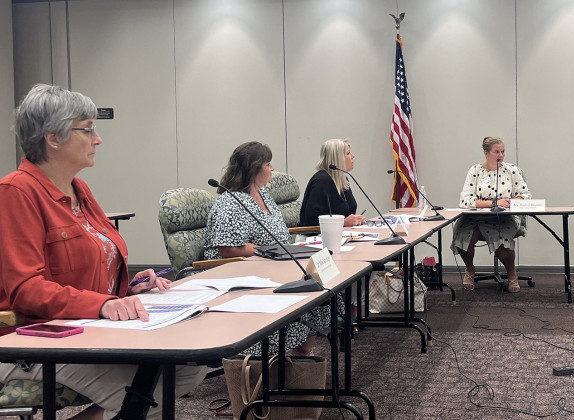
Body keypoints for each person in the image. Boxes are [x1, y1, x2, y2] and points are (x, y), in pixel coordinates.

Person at [0, 84, 206, 420]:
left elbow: (86, 268)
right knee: (148, 395)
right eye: (88, 129)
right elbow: (26, 290)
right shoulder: (16, 191)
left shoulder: (79, 188)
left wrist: (124, 290)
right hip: (34, 340)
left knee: (185, 368)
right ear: (53, 138)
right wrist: (104, 304)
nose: (98, 139)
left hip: (85, 329)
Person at [204, 141, 329, 356]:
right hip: (239, 273)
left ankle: (300, 356)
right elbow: (228, 250)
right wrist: (267, 251)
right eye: (268, 164)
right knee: (303, 295)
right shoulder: (230, 202)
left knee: (318, 293)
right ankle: (269, 357)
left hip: (272, 265)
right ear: (254, 168)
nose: (272, 168)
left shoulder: (265, 196)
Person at [453, 137, 531, 292]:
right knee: (462, 236)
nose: (500, 155)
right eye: (496, 152)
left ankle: (511, 274)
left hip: (503, 218)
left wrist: (510, 201)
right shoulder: (475, 171)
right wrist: (494, 203)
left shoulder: (511, 170)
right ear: (486, 153)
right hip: (475, 218)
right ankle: (470, 270)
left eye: (502, 152)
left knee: (503, 244)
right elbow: (465, 201)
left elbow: (526, 195)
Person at [299, 138, 366, 227]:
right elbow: (311, 221)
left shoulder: (343, 179)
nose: (353, 156)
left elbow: (349, 212)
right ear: (338, 158)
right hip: (315, 238)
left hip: (339, 235)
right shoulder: (322, 181)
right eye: (348, 153)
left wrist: (356, 220)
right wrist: (344, 222)